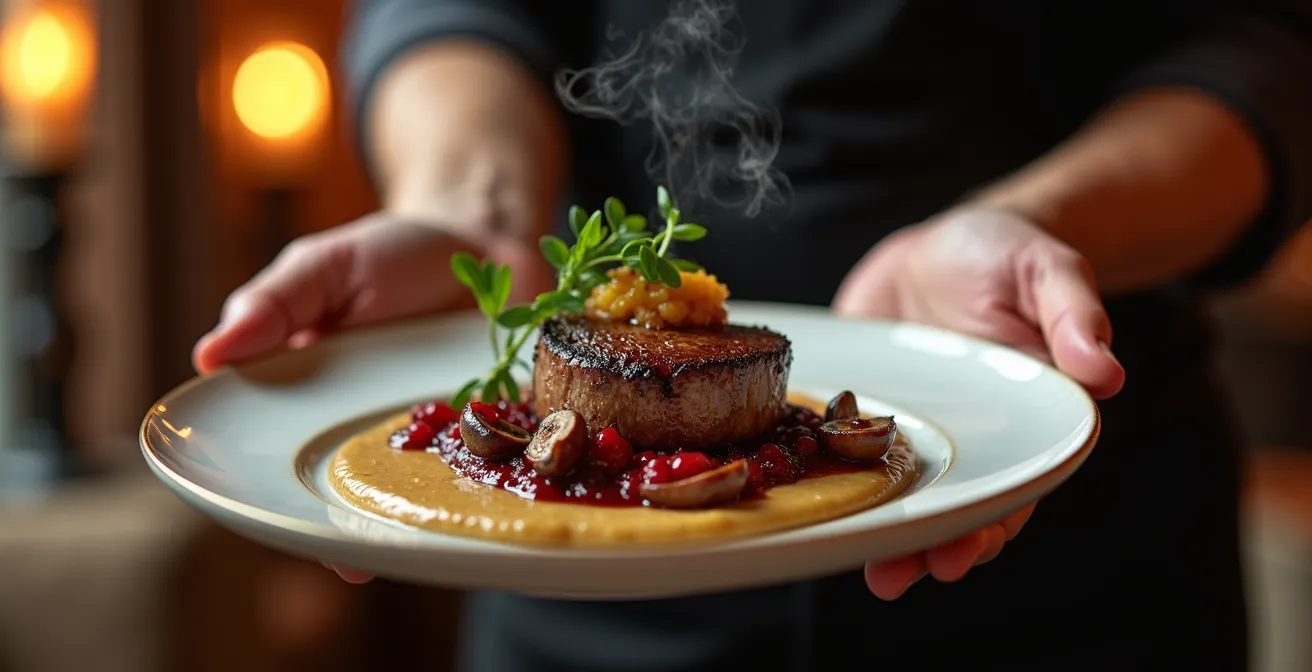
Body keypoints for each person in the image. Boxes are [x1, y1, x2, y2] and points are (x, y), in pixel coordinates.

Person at [193, 1, 1312, 669]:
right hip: (584, 611)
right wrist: (470, 213)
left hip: (1066, 575)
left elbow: (1263, 45)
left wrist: (1044, 222)